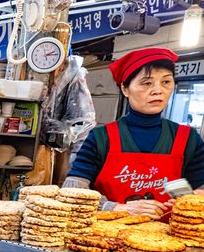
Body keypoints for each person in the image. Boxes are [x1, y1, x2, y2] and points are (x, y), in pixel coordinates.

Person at [64, 48, 204, 218]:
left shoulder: (188, 139)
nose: (158, 90)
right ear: (125, 88)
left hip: (169, 238)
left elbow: (201, 187)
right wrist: (114, 208)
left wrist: (192, 200)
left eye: (166, 82)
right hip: (105, 236)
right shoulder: (101, 137)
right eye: (147, 83)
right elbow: (72, 191)